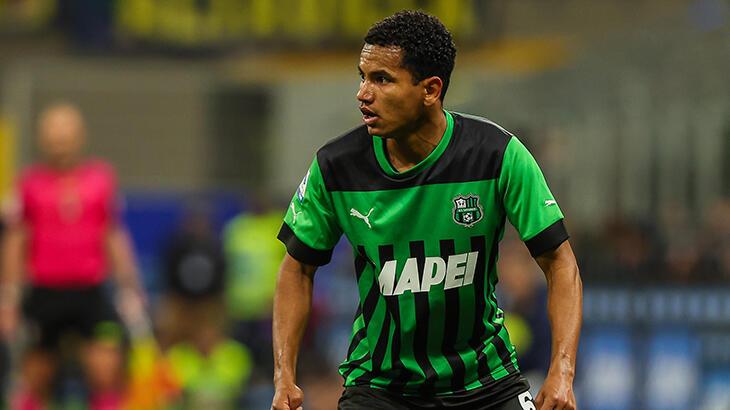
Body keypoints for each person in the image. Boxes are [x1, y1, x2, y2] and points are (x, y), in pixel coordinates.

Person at [271, 10, 582, 410]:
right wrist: (284, 375)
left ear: (431, 89)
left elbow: (560, 262)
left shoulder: (496, 154)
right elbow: (297, 269)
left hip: (486, 382)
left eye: (382, 79)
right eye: (362, 77)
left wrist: (562, 371)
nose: (363, 93)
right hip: (381, 388)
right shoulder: (336, 167)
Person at [0, 103, 145, 409]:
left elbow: (112, 234)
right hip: (45, 292)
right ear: (42, 140)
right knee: (36, 377)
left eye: (65, 137)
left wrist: (129, 285)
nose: (59, 145)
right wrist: (8, 296)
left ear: (80, 137)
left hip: (90, 291)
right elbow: (16, 241)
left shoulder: (100, 179)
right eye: (53, 138)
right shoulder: (29, 183)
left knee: (105, 370)